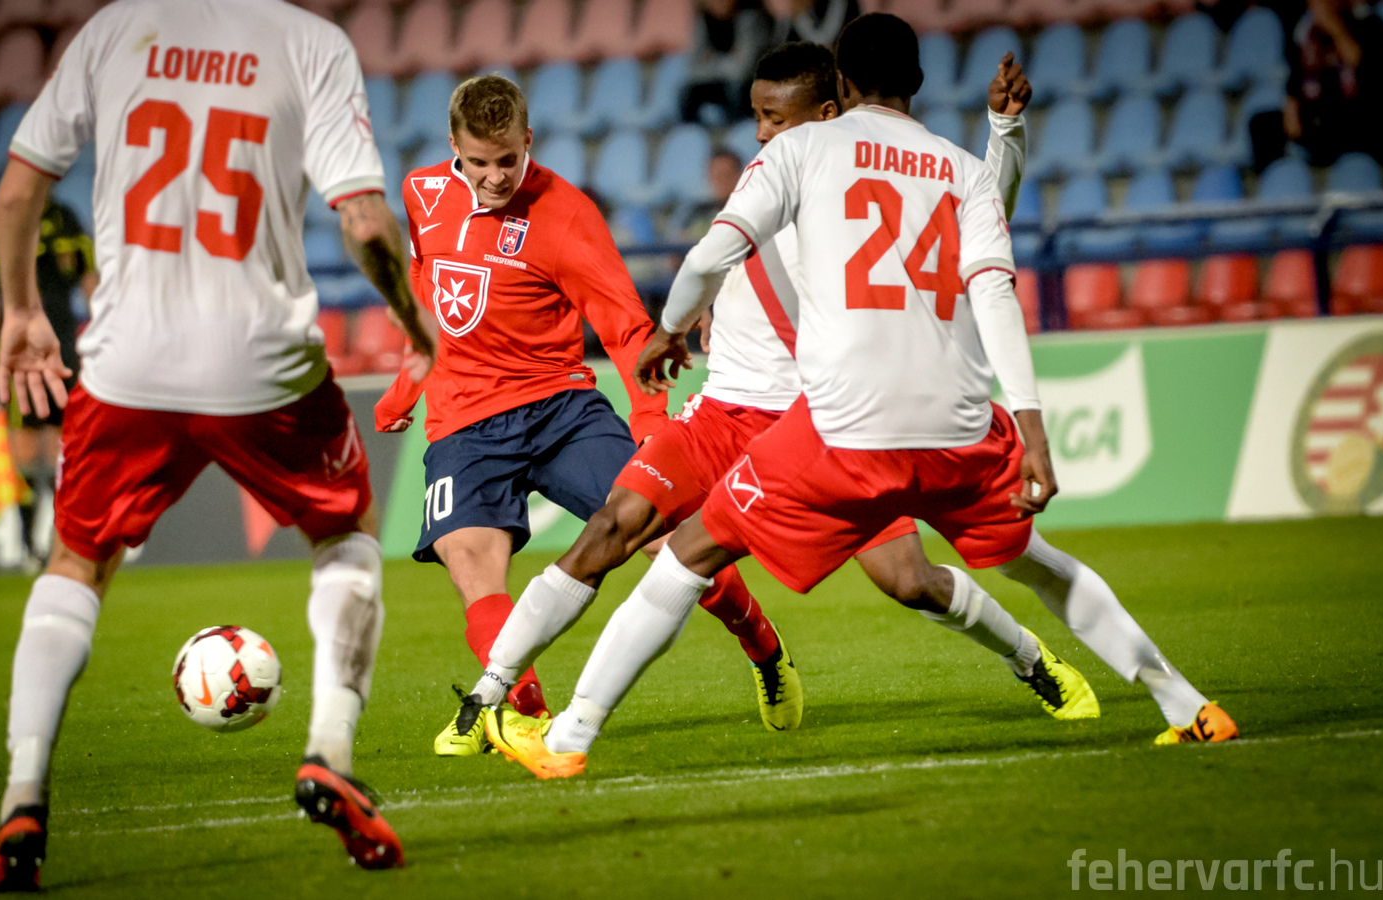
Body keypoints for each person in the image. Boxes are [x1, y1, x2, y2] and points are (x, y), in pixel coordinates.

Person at [484, 14, 1238, 780]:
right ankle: (1188, 706)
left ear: (840, 86)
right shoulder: (961, 170)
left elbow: (712, 254)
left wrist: (670, 328)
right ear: (919, 81)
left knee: (687, 556)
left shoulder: (803, 149)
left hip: (844, 427)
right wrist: (1031, 427)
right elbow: (994, 290)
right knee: (1038, 564)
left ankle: (570, 737)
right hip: (960, 424)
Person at [0, 0, 438, 888]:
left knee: (77, 563)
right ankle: (330, 754)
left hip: (127, 364)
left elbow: (16, 189)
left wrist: (25, 311)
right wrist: (416, 326)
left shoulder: (113, 29)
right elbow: (368, 222)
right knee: (344, 534)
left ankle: (21, 797)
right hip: (260, 362)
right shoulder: (310, 42)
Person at [371, 74, 794, 756]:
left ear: (528, 140)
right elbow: (428, 290)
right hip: (463, 418)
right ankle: (521, 713)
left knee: (668, 540)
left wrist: (650, 422)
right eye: (479, 162)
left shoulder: (565, 214)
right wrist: (408, 382)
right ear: (453, 147)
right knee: (471, 563)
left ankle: (763, 647)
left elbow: (627, 329)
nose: (495, 177)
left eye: (508, 160)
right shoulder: (421, 193)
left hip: (559, 408)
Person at [0, 200, 97, 572]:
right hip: (21, 352)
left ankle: (63, 539)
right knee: (25, 447)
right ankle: (29, 544)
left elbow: (91, 281)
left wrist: (102, 338)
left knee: (64, 448)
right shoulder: (2, 219)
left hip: (64, 348)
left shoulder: (66, 218)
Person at [1250, 0, 1383, 169]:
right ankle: (1282, 178)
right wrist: (1291, 108)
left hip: (1359, 112)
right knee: (1262, 124)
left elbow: (1361, 63)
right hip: (1318, 115)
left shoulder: (1370, 24)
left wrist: (1334, 28)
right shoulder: (1306, 33)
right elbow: (1295, 77)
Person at [680, 0, 770, 125]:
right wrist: (728, 58)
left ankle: (738, 129)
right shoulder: (703, 21)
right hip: (718, 80)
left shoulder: (750, 18)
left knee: (735, 89)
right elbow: (692, 69)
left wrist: (712, 60)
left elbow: (743, 70)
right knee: (687, 92)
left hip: (751, 85)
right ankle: (692, 132)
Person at [668, 147, 744, 242]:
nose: (721, 181)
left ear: (740, 176)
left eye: (726, 175)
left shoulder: (750, 212)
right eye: (716, 175)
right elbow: (677, 243)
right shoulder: (695, 213)